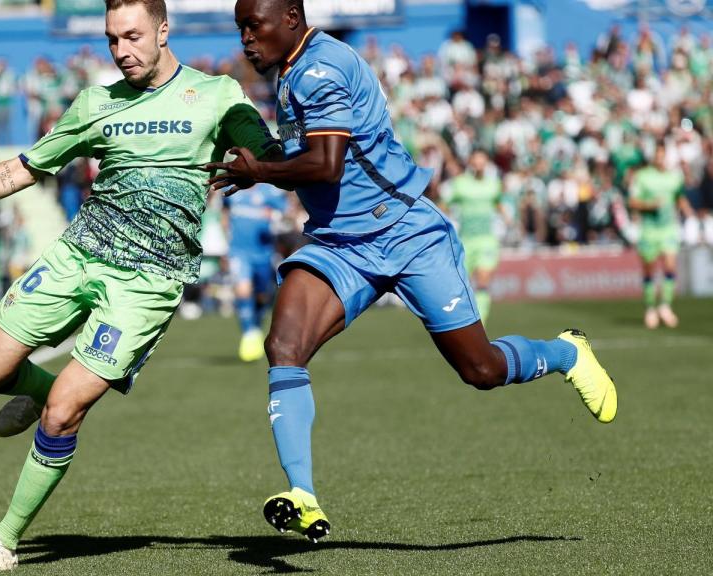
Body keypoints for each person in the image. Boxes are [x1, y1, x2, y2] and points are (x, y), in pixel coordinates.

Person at [0, 0, 279, 571]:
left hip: (148, 281)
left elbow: (262, 147)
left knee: (65, 413)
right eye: (112, 39)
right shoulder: (95, 104)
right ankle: (41, 389)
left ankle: (4, 539)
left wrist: (261, 162)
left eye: (133, 36)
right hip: (78, 254)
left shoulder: (216, 95)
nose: (122, 50)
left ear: (163, 30)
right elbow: (21, 168)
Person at [208, 0, 618, 543]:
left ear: (289, 18)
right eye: (239, 28)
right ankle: (301, 493)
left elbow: (326, 165)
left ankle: (567, 352)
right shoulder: (292, 71)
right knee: (284, 346)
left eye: (252, 25)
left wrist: (260, 168)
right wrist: (261, 160)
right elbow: (315, 161)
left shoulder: (321, 69)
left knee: (482, 370)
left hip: (403, 232)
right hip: (341, 242)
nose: (245, 39)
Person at [628, 143, 694, 329]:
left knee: (670, 265)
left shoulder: (674, 178)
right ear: (653, 157)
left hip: (668, 228)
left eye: (662, 155)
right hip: (649, 230)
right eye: (657, 155)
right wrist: (650, 205)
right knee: (649, 270)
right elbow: (632, 201)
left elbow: (679, 198)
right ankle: (650, 308)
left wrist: (690, 214)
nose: (660, 158)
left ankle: (665, 305)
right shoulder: (642, 177)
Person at [223, 183, 286, 361]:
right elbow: (224, 214)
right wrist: (225, 240)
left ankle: (256, 326)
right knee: (242, 289)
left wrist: (274, 215)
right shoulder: (231, 189)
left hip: (264, 254)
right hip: (238, 251)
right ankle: (249, 333)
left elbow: (287, 212)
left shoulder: (270, 191)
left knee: (263, 296)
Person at [443, 150, 506, 324]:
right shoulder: (460, 184)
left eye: (482, 160)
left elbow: (497, 202)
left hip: (486, 240)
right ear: (471, 162)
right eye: (476, 160)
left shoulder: (494, 184)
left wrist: (508, 218)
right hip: (465, 241)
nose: (479, 163)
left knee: (483, 282)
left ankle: (481, 323)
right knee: (462, 285)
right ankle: (462, 322)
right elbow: (445, 205)